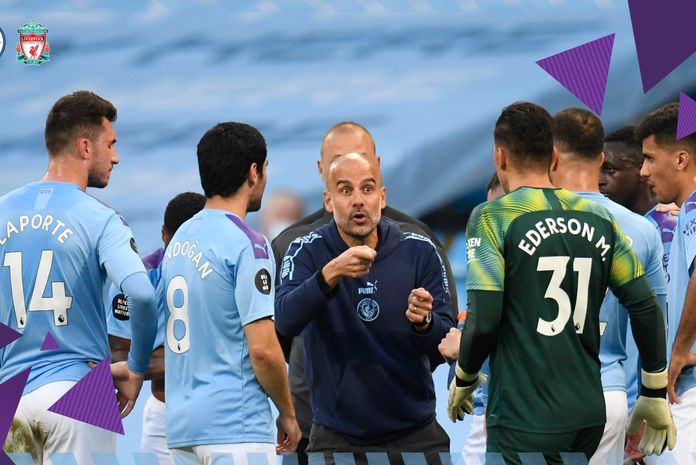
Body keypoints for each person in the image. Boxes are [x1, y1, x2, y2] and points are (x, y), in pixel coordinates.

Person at [447, 102, 674, 465]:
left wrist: (464, 376)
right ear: (553, 156)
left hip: (526, 411)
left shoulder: (495, 216)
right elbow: (646, 306)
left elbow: (485, 316)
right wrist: (653, 390)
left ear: (500, 156)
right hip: (588, 412)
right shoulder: (596, 215)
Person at [270, 121, 458, 465]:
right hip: (336, 440)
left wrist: (425, 324)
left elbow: (447, 342)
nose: (358, 201)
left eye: (368, 189)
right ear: (328, 200)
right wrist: (329, 276)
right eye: (345, 190)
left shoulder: (420, 249)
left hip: (415, 435)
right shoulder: (304, 251)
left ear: (382, 196)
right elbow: (283, 321)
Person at [0, 90, 159, 463]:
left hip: (12, 401)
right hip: (79, 392)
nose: (116, 157)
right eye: (111, 144)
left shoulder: (2, 210)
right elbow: (142, 294)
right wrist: (136, 368)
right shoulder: (100, 218)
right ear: (85, 147)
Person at [162, 122, 300, 465]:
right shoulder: (247, 244)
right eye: (265, 169)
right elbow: (264, 349)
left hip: (181, 428)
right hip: (235, 425)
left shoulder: (178, 241)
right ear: (253, 172)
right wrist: (288, 412)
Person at [549, 108, 667, 465]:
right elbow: (653, 319)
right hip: (609, 393)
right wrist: (651, 397)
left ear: (551, 156)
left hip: (541, 396)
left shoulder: (521, 222)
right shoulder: (643, 230)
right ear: (600, 158)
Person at [107, 191, 206, 465]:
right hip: (163, 421)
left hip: (220, 416)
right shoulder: (137, 279)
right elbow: (118, 358)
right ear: (164, 234)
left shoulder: (223, 274)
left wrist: (159, 353)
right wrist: (200, 355)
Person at [637, 102, 696, 465]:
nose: (644, 171)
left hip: (691, 391)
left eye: (649, 158)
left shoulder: (694, 207)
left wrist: (679, 350)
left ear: (680, 159)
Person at [439, 173, 503, 465]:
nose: (493, 224)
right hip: (485, 415)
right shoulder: (486, 269)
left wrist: (464, 344)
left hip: (514, 417)